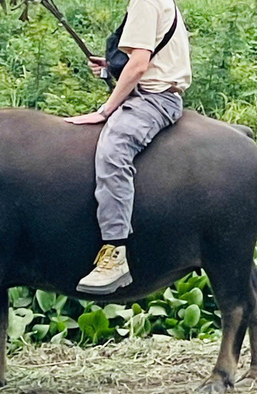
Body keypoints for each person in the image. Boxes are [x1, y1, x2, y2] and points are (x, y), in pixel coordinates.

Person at [65, 0, 192, 295]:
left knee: (114, 150)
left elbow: (139, 64)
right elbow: (147, 56)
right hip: (151, 92)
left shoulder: (145, 1)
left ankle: (115, 252)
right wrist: (110, 67)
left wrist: (105, 110)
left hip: (154, 100)